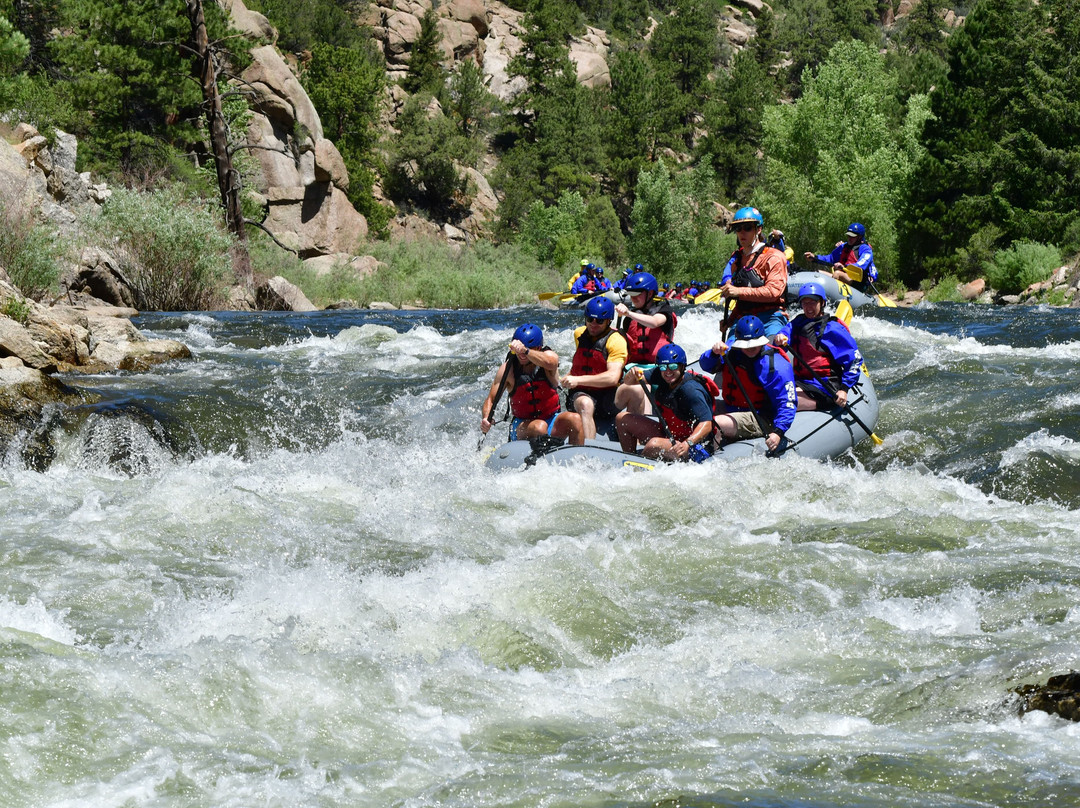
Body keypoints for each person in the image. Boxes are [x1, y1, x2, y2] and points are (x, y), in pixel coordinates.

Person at [698, 315, 797, 454]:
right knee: (696, 410)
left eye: (754, 344)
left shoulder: (777, 365)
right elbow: (705, 365)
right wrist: (713, 353)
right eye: (746, 345)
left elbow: (787, 402)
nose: (750, 348)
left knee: (716, 423)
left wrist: (778, 432)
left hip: (761, 417)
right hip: (732, 407)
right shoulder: (731, 350)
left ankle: (708, 458)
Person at [480, 324, 583, 444]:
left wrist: (525, 350)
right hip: (522, 426)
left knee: (576, 419)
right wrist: (486, 418)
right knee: (539, 426)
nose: (521, 355)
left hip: (551, 419)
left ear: (539, 348)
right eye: (518, 351)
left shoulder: (548, 358)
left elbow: (551, 362)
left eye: (528, 349)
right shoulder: (508, 370)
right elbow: (491, 399)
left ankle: (578, 457)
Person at [616, 344, 718, 462]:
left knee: (653, 445)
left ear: (681, 366)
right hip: (670, 435)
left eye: (673, 366)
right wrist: (631, 374)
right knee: (622, 419)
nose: (668, 371)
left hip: (694, 446)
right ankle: (629, 459)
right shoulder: (661, 374)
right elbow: (629, 382)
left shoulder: (691, 390)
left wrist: (687, 444)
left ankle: (638, 466)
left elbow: (707, 424)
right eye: (663, 367)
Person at [775, 282, 864, 411]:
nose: (808, 307)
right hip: (801, 381)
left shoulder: (832, 328)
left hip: (825, 386)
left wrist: (844, 389)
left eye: (812, 302)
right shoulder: (798, 322)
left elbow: (854, 359)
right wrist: (781, 336)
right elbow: (786, 331)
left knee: (782, 402)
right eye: (805, 303)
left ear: (822, 303)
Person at [560, 296, 628, 440]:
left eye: (599, 321)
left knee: (635, 390)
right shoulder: (579, 334)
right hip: (581, 394)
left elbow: (612, 378)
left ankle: (636, 442)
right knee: (586, 404)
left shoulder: (616, 341)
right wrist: (569, 376)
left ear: (608, 321)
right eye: (590, 319)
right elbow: (582, 362)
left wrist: (578, 379)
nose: (593, 324)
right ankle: (588, 447)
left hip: (607, 397)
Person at [612, 271, 678, 414]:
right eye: (631, 294)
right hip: (634, 368)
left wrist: (628, 313)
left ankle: (647, 421)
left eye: (637, 294)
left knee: (644, 383)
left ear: (650, 293)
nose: (633, 298)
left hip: (661, 369)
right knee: (642, 384)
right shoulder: (630, 318)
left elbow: (654, 322)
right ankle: (638, 422)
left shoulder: (664, 310)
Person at [719, 206, 789, 338]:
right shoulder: (737, 258)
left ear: (759, 229)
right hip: (742, 318)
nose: (742, 233)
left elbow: (773, 292)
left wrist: (738, 291)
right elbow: (742, 301)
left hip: (770, 318)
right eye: (738, 228)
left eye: (747, 228)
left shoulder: (774, 256)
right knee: (727, 354)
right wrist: (730, 321)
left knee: (772, 352)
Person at [804, 223, 878, 292]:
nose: (849, 238)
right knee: (817, 273)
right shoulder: (843, 247)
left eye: (852, 237)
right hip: (842, 276)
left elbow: (862, 264)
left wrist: (844, 266)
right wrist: (815, 258)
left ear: (859, 237)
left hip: (857, 281)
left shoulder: (865, 249)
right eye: (848, 236)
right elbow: (830, 258)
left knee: (837, 274)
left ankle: (829, 296)